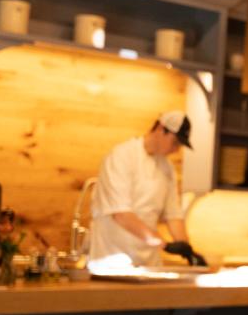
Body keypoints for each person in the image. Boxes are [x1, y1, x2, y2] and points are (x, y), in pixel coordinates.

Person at [88, 110, 205, 268]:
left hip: (149, 262)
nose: (176, 149)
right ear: (161, 129)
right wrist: (163, 244)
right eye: (175, 142)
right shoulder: (122, 156)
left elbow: (173, 214)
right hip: (112, 258)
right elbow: (121, 214)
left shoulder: (167, 168)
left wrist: (188, 250)